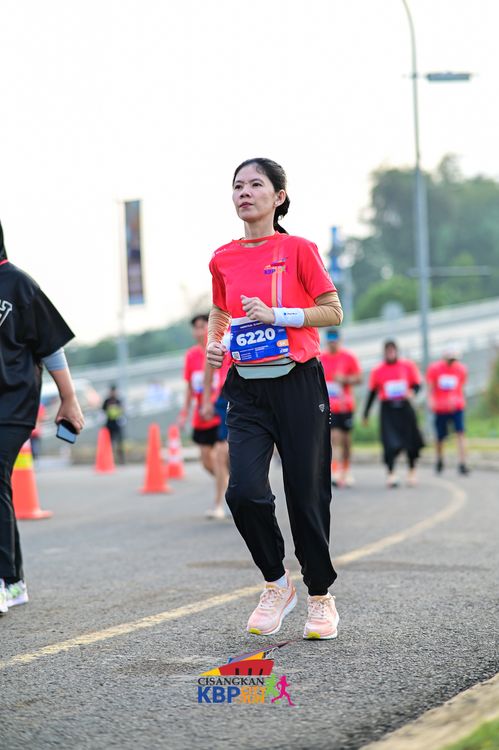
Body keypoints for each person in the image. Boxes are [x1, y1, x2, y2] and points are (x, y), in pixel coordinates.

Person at [206, 157, 343, 640]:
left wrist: (278, 315)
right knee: (243, 491)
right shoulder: (222, 257)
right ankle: (276, 583)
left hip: (298, 383)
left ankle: (320, 597)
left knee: (305, 495)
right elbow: (220, 309)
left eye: (255, 184)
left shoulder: (299, 249)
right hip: (246, 386)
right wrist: (215, 344)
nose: (244, 192)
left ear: (279, 197)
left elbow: (333, 311)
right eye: (237, 186)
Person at [0, 220, 84, 616]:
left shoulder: (17, 283)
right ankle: (13, 580)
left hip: (13, 403)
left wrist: (69, 399)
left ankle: (5, 579)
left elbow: (49, 345)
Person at [363, 340, 424, 487]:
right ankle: (391, 474)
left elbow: (417, 385)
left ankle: (412, 472)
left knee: (411, 441)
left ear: (396, 351)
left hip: (405, 407)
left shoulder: (408, 366)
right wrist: (366, 413)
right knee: (389, 443)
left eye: (392, 350)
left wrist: (412, 392)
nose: (390, 353)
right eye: (388, 351)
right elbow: (372, 393)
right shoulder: (378, 370)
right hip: (388, 409)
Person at [179, 314, 223, 513]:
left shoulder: (221, 349)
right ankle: (228, 483)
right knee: (206, 461)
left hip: (220, 414)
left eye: (202, 326)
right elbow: (189, 388)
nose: (199, 331)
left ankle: (219, 503)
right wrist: (185, 412)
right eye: (195, 327)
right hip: (202, 416)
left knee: (221, 457)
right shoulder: (191, 356)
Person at [321, 328, 362, 487]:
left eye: (335, 341)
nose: (332, 344)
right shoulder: (321, 358)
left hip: (346, 405)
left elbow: (359, 379)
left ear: (339, 340)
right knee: (334, 437)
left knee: (346, 441)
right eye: (330, 341)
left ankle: (346, 469)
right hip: (330, 406)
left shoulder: (348, 357)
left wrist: (345, 379)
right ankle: (335, 470)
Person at [201, 332, 231, 520]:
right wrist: (206, 401)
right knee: (220, 455)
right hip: (226, 397)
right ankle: (220, 503)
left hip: (252, 393)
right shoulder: (220, 335)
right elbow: (208, 371)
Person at [426, 345, 469, 475]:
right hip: (440, 408)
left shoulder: (461, 369)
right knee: (440, 437)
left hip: (456, 406)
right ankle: (439, 459)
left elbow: (461, 386)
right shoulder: (435, 369)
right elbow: (430, 387)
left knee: (460, 433)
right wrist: (431, 401)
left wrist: (460, 400)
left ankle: (462, 463)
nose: (451, 362)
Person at [102, 385, 126, 464]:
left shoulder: (118, 401)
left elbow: (122, 410)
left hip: (117, 424)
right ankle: (108, 459)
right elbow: (102, 411)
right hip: (109, 424)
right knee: (109, 443)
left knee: (119, 443)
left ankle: (121, 459)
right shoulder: (107, 401)